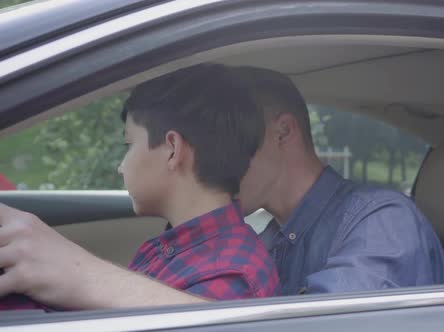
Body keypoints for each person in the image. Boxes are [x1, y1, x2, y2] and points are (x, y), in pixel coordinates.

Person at [0, 63, 444, 309]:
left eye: (236, 136)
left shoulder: (382, 220)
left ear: (283, 132)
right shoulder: (270, 238)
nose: (218, 154)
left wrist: (82, 276)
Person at [0, 64, 278, 310]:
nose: (121, 166)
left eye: (129, 145)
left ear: (172, 149)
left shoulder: (231, 276)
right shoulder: (184, 248)